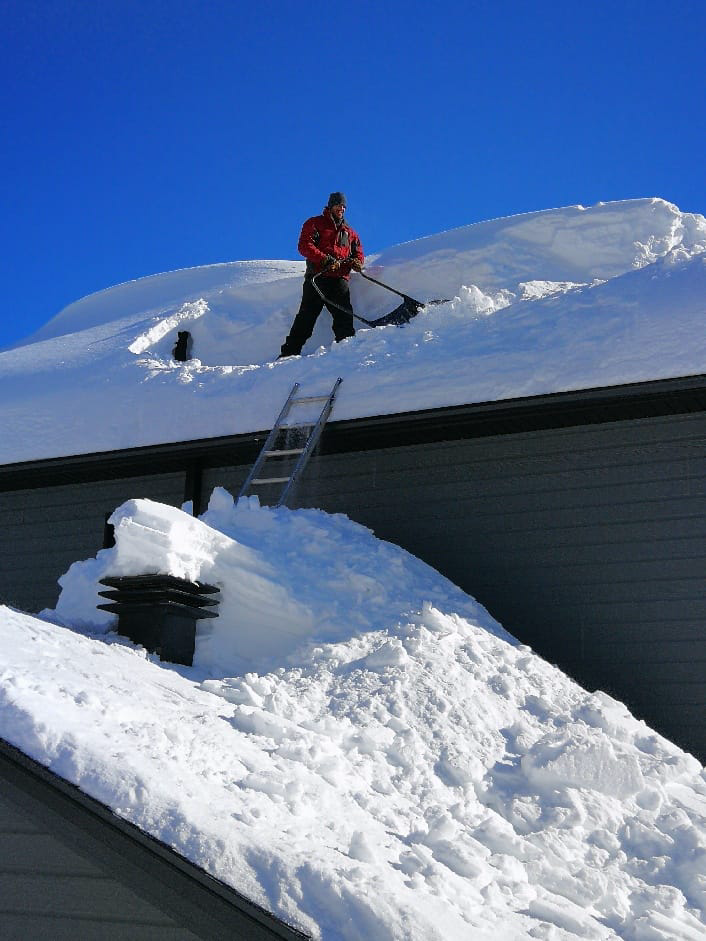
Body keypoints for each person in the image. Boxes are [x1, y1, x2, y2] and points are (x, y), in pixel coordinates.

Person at [279, 192, 364, 358]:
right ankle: (288, 354)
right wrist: (324, 259)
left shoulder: (349, 232)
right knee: (306, 317)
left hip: (339, 279)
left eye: (344, 206)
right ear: (330, 205)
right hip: (317, 277)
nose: (342, 208)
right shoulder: (315, 223)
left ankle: (347, 349)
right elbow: (304, 246)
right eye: (339, 205)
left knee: (344, 315)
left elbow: (358, 252)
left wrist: (357, 262)